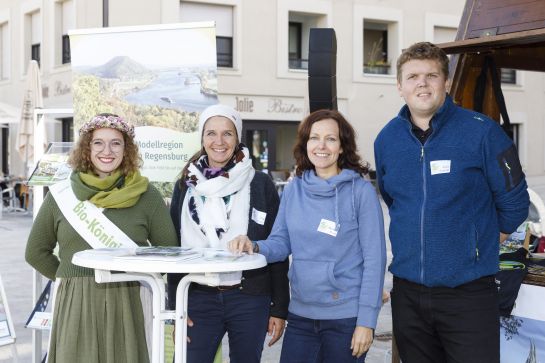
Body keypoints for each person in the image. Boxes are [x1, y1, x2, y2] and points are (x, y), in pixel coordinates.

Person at [373, 42, 530, 363]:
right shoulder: (386, 140)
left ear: (446, 82)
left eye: (432, 75)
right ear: (399, 87)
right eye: (413, 76)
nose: (422, 83)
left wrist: (481, 241)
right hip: (409, 295)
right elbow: (394, 199)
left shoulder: (482, 132)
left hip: (469, 293)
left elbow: (515, 201)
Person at [229, 109, 386, 363]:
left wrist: (366, 322)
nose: (321, 146)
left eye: (331, 139)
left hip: (345, 318)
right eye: (314, 138)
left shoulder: (361, 193)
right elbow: (281, 243)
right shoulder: (293, 190)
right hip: (301, 317)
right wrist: (255, 246)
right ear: (306, 143)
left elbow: (374, 261)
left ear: (342, 147)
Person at [25, 113, 178, 363]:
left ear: (126, 149)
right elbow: (35, 252)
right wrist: (70, 278)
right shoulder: (61, 195)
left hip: (130, 300)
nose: (107, 150)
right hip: (76, 302)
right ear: (87, 148)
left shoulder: (146, 195)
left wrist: (142, 279)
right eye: (98, 142)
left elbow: (170, 251)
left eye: (116, 143)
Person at [167, 104, 289, 363]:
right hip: (197, 295)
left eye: (227, 134)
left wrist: (279, 308)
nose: (219, 141)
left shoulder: (259, 183)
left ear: (237, 138)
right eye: (211, 133)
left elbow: (277, 245)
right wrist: (174, 308)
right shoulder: (185, 185)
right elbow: (174, 248)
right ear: (202, 138)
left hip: (249, 298)